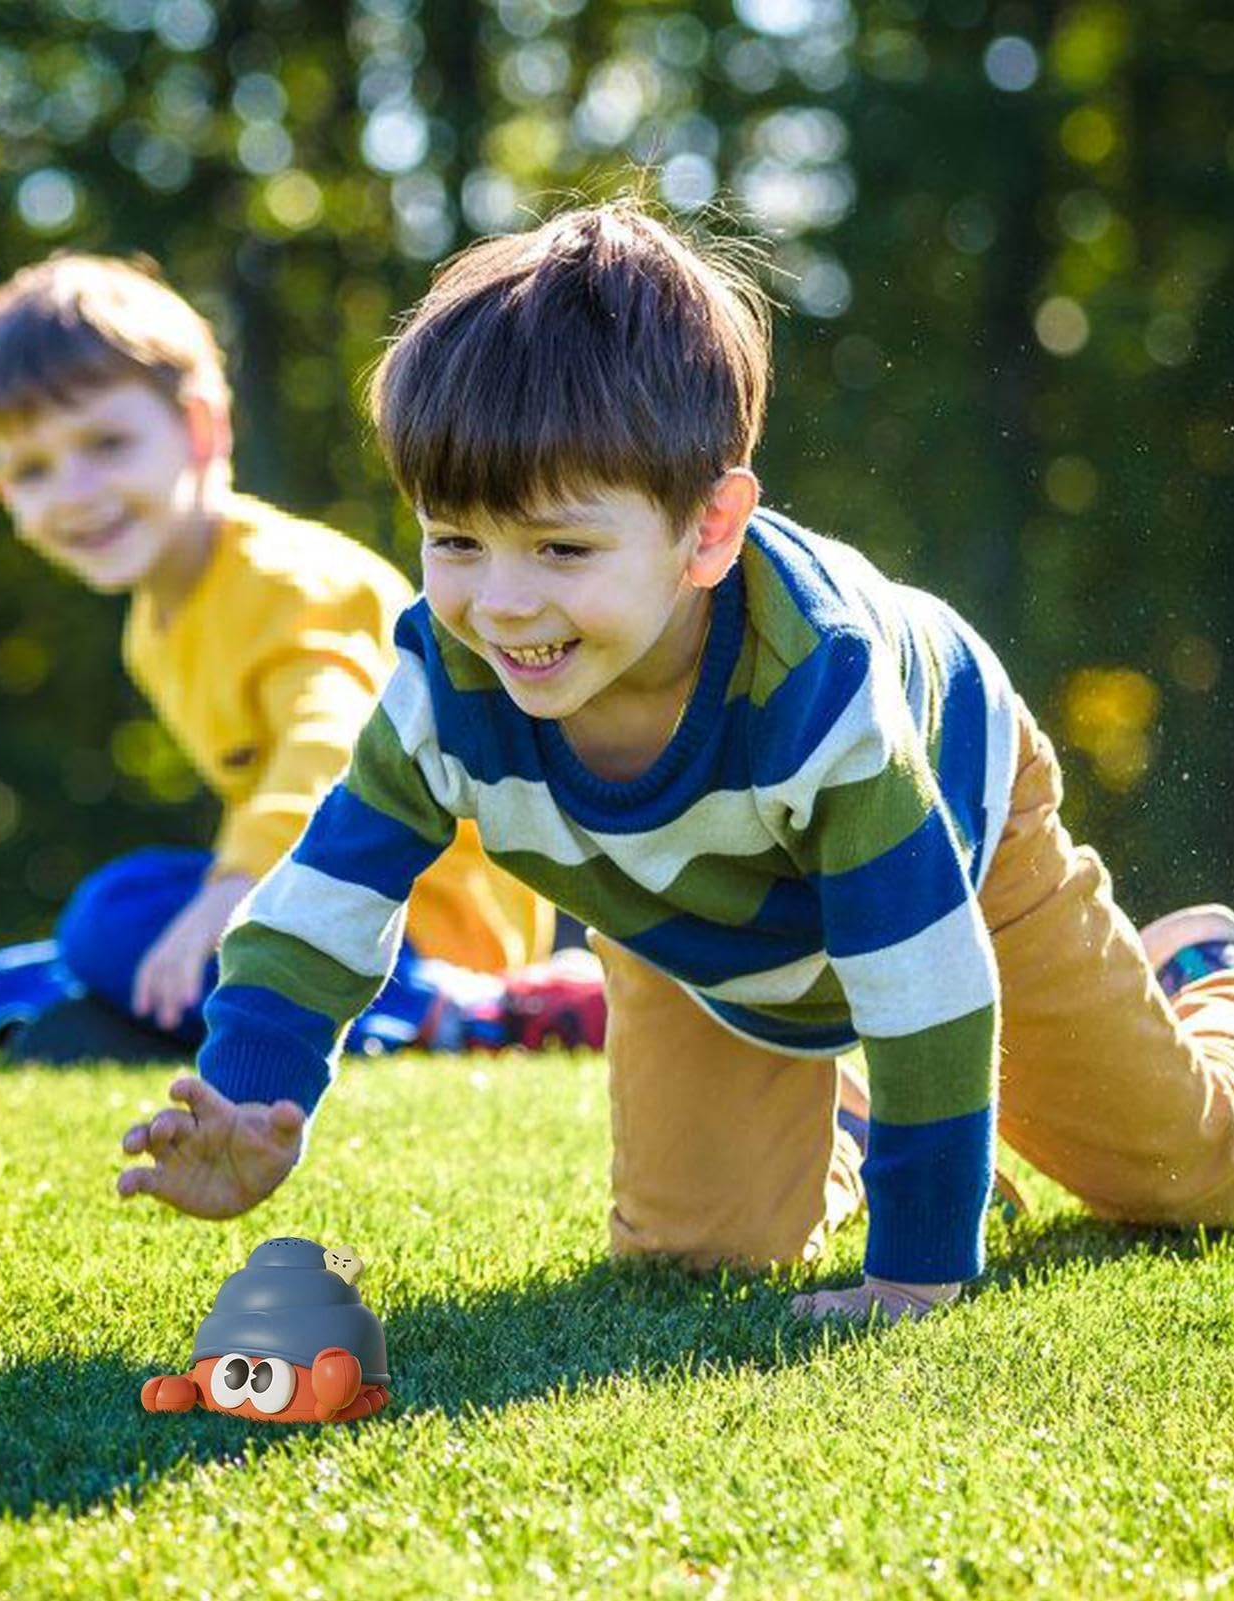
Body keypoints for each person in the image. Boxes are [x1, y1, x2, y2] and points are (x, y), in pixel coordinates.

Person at [115, 200, 1234, 1324]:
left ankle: (1200, 982)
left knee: (1183, 1178)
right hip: (685, 919)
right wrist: (249, 1094)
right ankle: (840, 1119)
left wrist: (914, 1270)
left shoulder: (818, 689)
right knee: (698, 1255)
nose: (501, 603)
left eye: (560, 545)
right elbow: (329, 889)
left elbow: (923, 988)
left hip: (961, 865)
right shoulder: (444, 677)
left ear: (707, 530)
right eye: (454, 539)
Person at [0, 252, 592, 1062]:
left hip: (424, 914)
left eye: (106, 443)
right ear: (5, 496)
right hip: (322, 896)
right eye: (34, 468)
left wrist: (225, 895)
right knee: (18, 976)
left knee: (110, 916)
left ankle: (471, 1013)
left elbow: (333, 751)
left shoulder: (286, 579)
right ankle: (168, 1014)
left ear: (199, 428)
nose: (75, 490)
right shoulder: (155, 622)